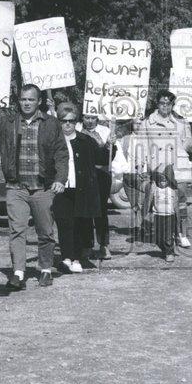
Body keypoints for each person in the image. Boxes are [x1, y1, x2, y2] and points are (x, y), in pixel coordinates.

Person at [0, 84, 68, 289]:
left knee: (45, 231)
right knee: (17, 230)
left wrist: (60, 179)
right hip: (16, 188)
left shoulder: (51, 123)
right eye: (23, 99)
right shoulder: (8, 122)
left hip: (43, 188)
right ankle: (18, 273)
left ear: (38, 101)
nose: (26, 103)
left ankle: (45, 269)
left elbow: (61, 154)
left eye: (30, 99)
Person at [135, 90, 192, 249]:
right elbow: (141, 147)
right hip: (159, 166)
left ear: (172, 105)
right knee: (162, 201)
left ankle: (181, 234)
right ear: (157, 104)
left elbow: (188, 146)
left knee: (181, 201)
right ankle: (164, 234)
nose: (165, 106)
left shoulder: (182, 122)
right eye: (162, 103)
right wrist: (141, 167)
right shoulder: (147, 123)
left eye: (168, 104)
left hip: (178, 167)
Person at [53, 104, 109, 273]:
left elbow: (102, 158)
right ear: (59, 122)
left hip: (81, 188)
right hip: (61, 188)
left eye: (71, 121)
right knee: (64, 224)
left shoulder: (85, 140)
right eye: (64, 121)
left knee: (79, 223)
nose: (67, 124)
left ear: (76, 122)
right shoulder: (53, 141)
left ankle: (77, 257)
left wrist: (109, 145)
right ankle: (66, 257)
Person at [79, 113, 115, 260]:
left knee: (101, 211)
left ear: (97, 118)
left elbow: (110, 156)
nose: (89, 121)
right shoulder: (77, 130)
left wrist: (110, 145)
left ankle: (104, 245)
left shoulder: (106, 131)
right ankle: (87, 246)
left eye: (92, 118)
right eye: (86, 117)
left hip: (102, 175)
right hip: (84, 177)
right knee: (85, 211)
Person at [148, 164, 179, 263]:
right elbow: (149, 200)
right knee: (158, 237)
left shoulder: (172, 190)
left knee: (168, 236)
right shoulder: (155, 190)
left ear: (169, 181)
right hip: (158, 215)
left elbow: (176, 204)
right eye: (160, 181)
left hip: (169, 216)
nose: (162, 183)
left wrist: (178, 216)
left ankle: (169, 252)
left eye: (165, 181)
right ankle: (165, 250)